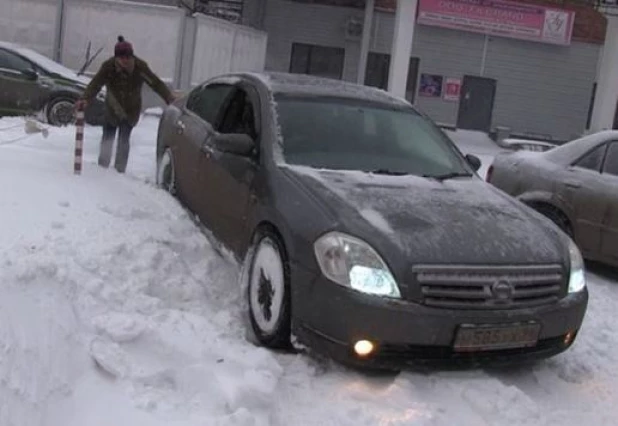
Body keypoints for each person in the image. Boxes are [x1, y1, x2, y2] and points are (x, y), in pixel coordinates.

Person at [76, 35, 175, 173]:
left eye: (128, 58)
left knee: (124, 140)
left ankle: (119, 171)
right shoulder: (108, 67)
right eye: (122, 58)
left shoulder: (140, 67)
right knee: (107, 138)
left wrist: (168, 97)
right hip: (112, 108)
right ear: (116, 58)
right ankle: (102, 169)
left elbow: (155, 83)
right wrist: (85, 98)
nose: (125, 61)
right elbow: (95, 84)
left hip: (131, 110)